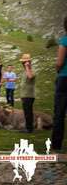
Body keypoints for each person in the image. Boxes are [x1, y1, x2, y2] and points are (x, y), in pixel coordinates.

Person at [51, 16, 67, 151]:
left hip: (64, 79)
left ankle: (56, 145)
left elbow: (59, 63)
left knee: (59, 113)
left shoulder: (64, 41)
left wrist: (57, 69)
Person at [19, 53, 35, 133]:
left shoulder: (31, 70)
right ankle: (28, 127)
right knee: (26, 112)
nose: (23, 64)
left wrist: (27, 66)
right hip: (24, 95)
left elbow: (30, 76)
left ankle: (29, 129)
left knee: (28, 112)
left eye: (24, 62)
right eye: (23, 62)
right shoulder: (25, 71)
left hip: (29, 95)